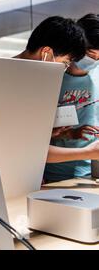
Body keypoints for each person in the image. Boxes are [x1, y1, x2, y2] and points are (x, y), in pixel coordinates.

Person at [13, 16, 99, 174]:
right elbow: (28, 149)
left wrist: (48, 133)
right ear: (46, 53)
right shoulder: (14, 82)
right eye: (66, 62)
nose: (65, 69)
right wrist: (88, 152)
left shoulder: (30, 81)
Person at [46, 14, 99, 182]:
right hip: (53, 174)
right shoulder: (51, 78)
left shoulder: (95, 79)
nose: (95, 59)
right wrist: (68, 134)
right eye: (91, 53)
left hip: (89, 173)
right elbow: (30, 135)